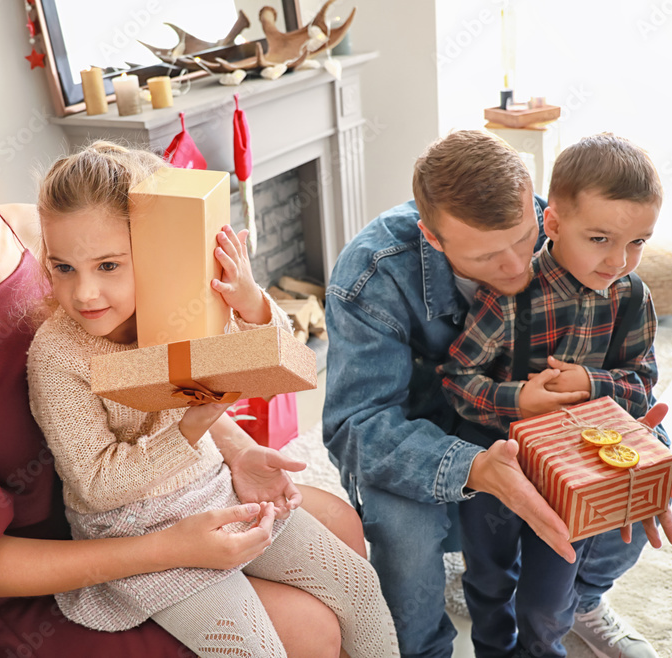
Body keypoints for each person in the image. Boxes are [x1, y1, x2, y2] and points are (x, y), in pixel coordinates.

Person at [0, 82, 366, 657]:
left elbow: (153, 369)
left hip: (149, 495)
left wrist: (238, 450)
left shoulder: (39, 232)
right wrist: (173, 548)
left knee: (340, 526)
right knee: (309, 629)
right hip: (44, 577)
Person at [322, 129, 672, 658]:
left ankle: (581, 602)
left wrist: (645, 446)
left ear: (540, 214)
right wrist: (476, 467)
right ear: (434, 239)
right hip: (423, 443)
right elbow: (355, 430)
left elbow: (628, 373)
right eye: (488, 257)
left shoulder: (563, 226)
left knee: (638, 488)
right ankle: (423, 648)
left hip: (540, 433)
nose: (518, 267)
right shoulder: (371, 276)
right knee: (403, 528)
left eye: (524, 239)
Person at [25, 142, 399, 657]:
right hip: (136, 536)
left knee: (358, 585)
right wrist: (192, 426)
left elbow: (291, 362)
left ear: (154, 250)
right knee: (254, 648)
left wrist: (250, 305)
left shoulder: (180, 306)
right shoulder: (56, 355)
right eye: (63, 267)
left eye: (107, 265)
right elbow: (96, 485)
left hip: (215, 495)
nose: (85, 293)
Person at [439, 133, 665, 658]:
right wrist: (518, 399)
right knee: (490, 578)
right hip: (501, 457)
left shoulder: (633, 297)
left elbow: (641, 385)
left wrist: (592, 383)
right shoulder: (510, 296)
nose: (619, 261)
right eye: (600, 239)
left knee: (547, 598)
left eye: (638, 243)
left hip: (575, 467)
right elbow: (456, 379)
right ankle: (495, 648)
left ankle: (550, 641)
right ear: (555, 222)